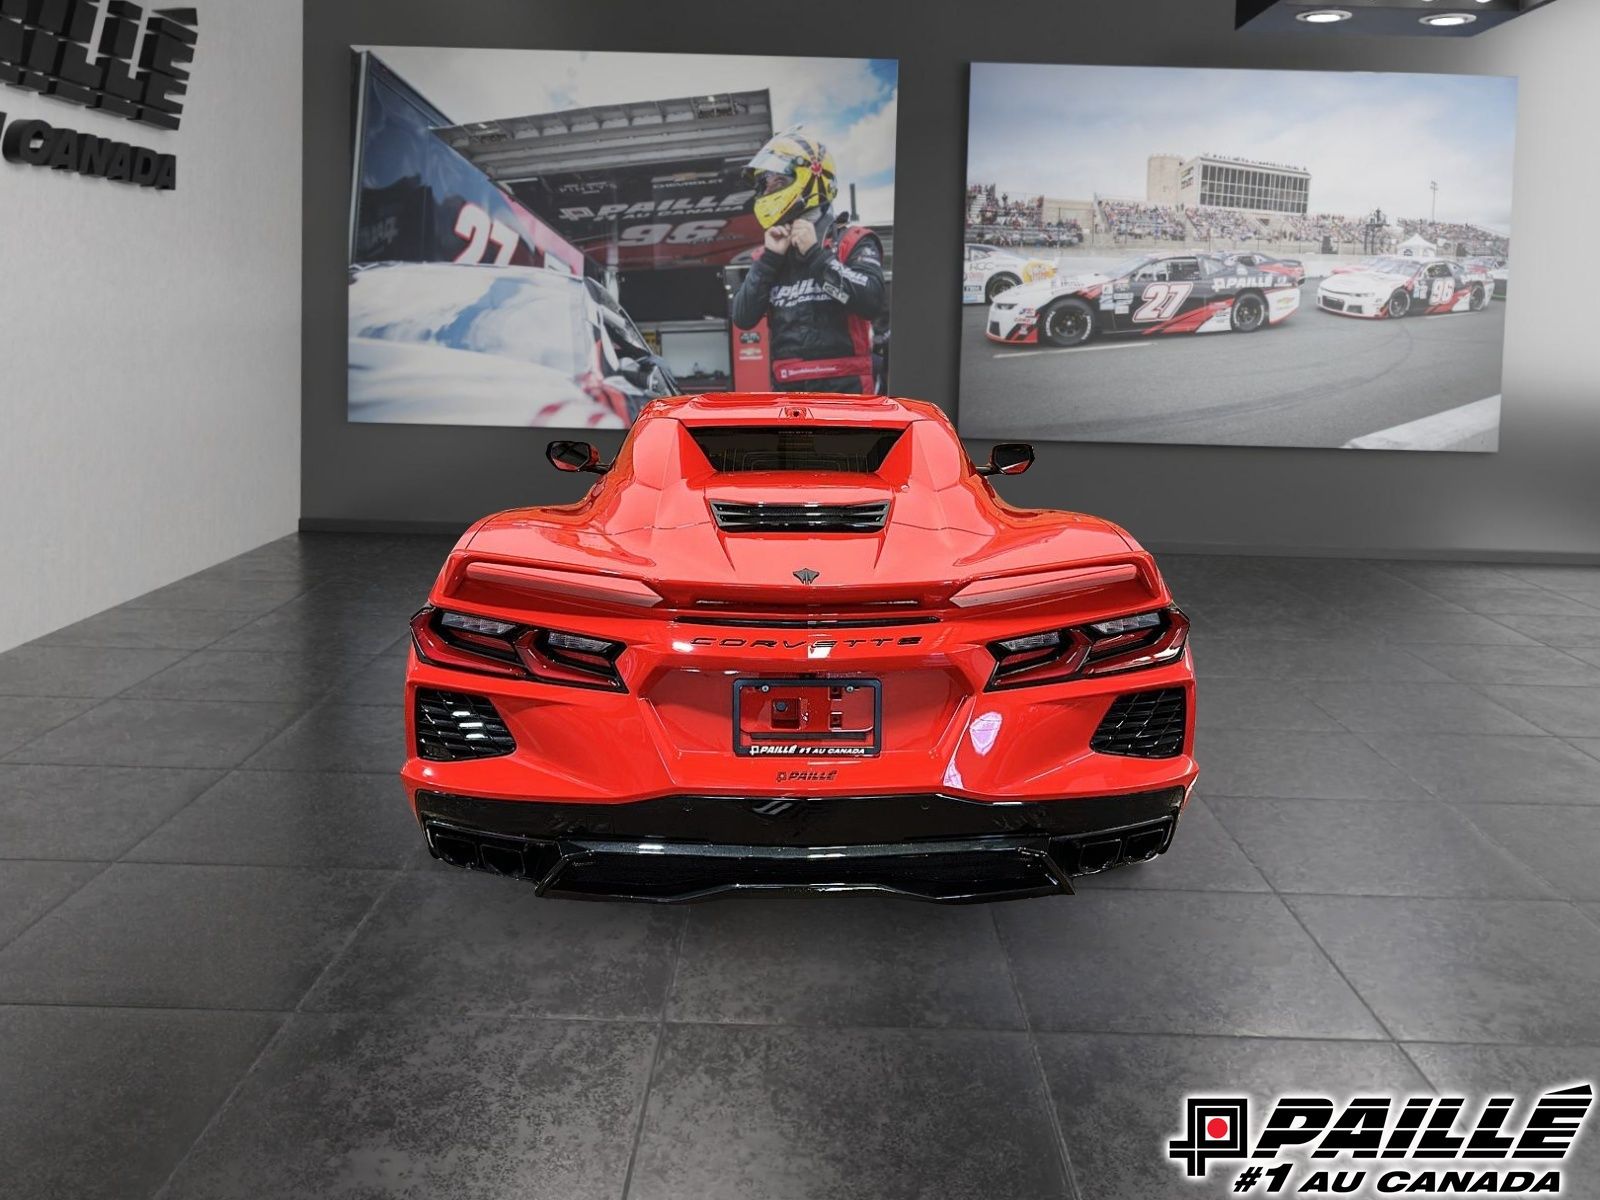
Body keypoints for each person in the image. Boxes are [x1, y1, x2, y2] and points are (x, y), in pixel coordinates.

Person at [731, 127, 887, 394]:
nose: (766, 190)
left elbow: (872, 302)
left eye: (775, 181)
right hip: (788, 396)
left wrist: (817, 256)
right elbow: (743, 318)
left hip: (847, 394)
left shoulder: (852, 241)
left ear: (809, 177)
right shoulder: (772, 254)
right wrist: (769, 260)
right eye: (763, 184)